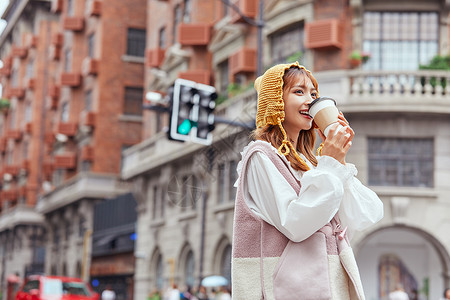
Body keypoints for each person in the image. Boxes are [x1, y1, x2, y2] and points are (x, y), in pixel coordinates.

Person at [231, 62, 384, 299]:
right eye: (298, 91)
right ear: (275, 101)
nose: (310, 101)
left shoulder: (313, 163)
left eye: (314, 94)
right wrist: (330, 165)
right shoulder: (260, 156)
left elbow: (366, 214)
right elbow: (296, 225)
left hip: (328, 285)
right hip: (287, 289)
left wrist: (338, 161)